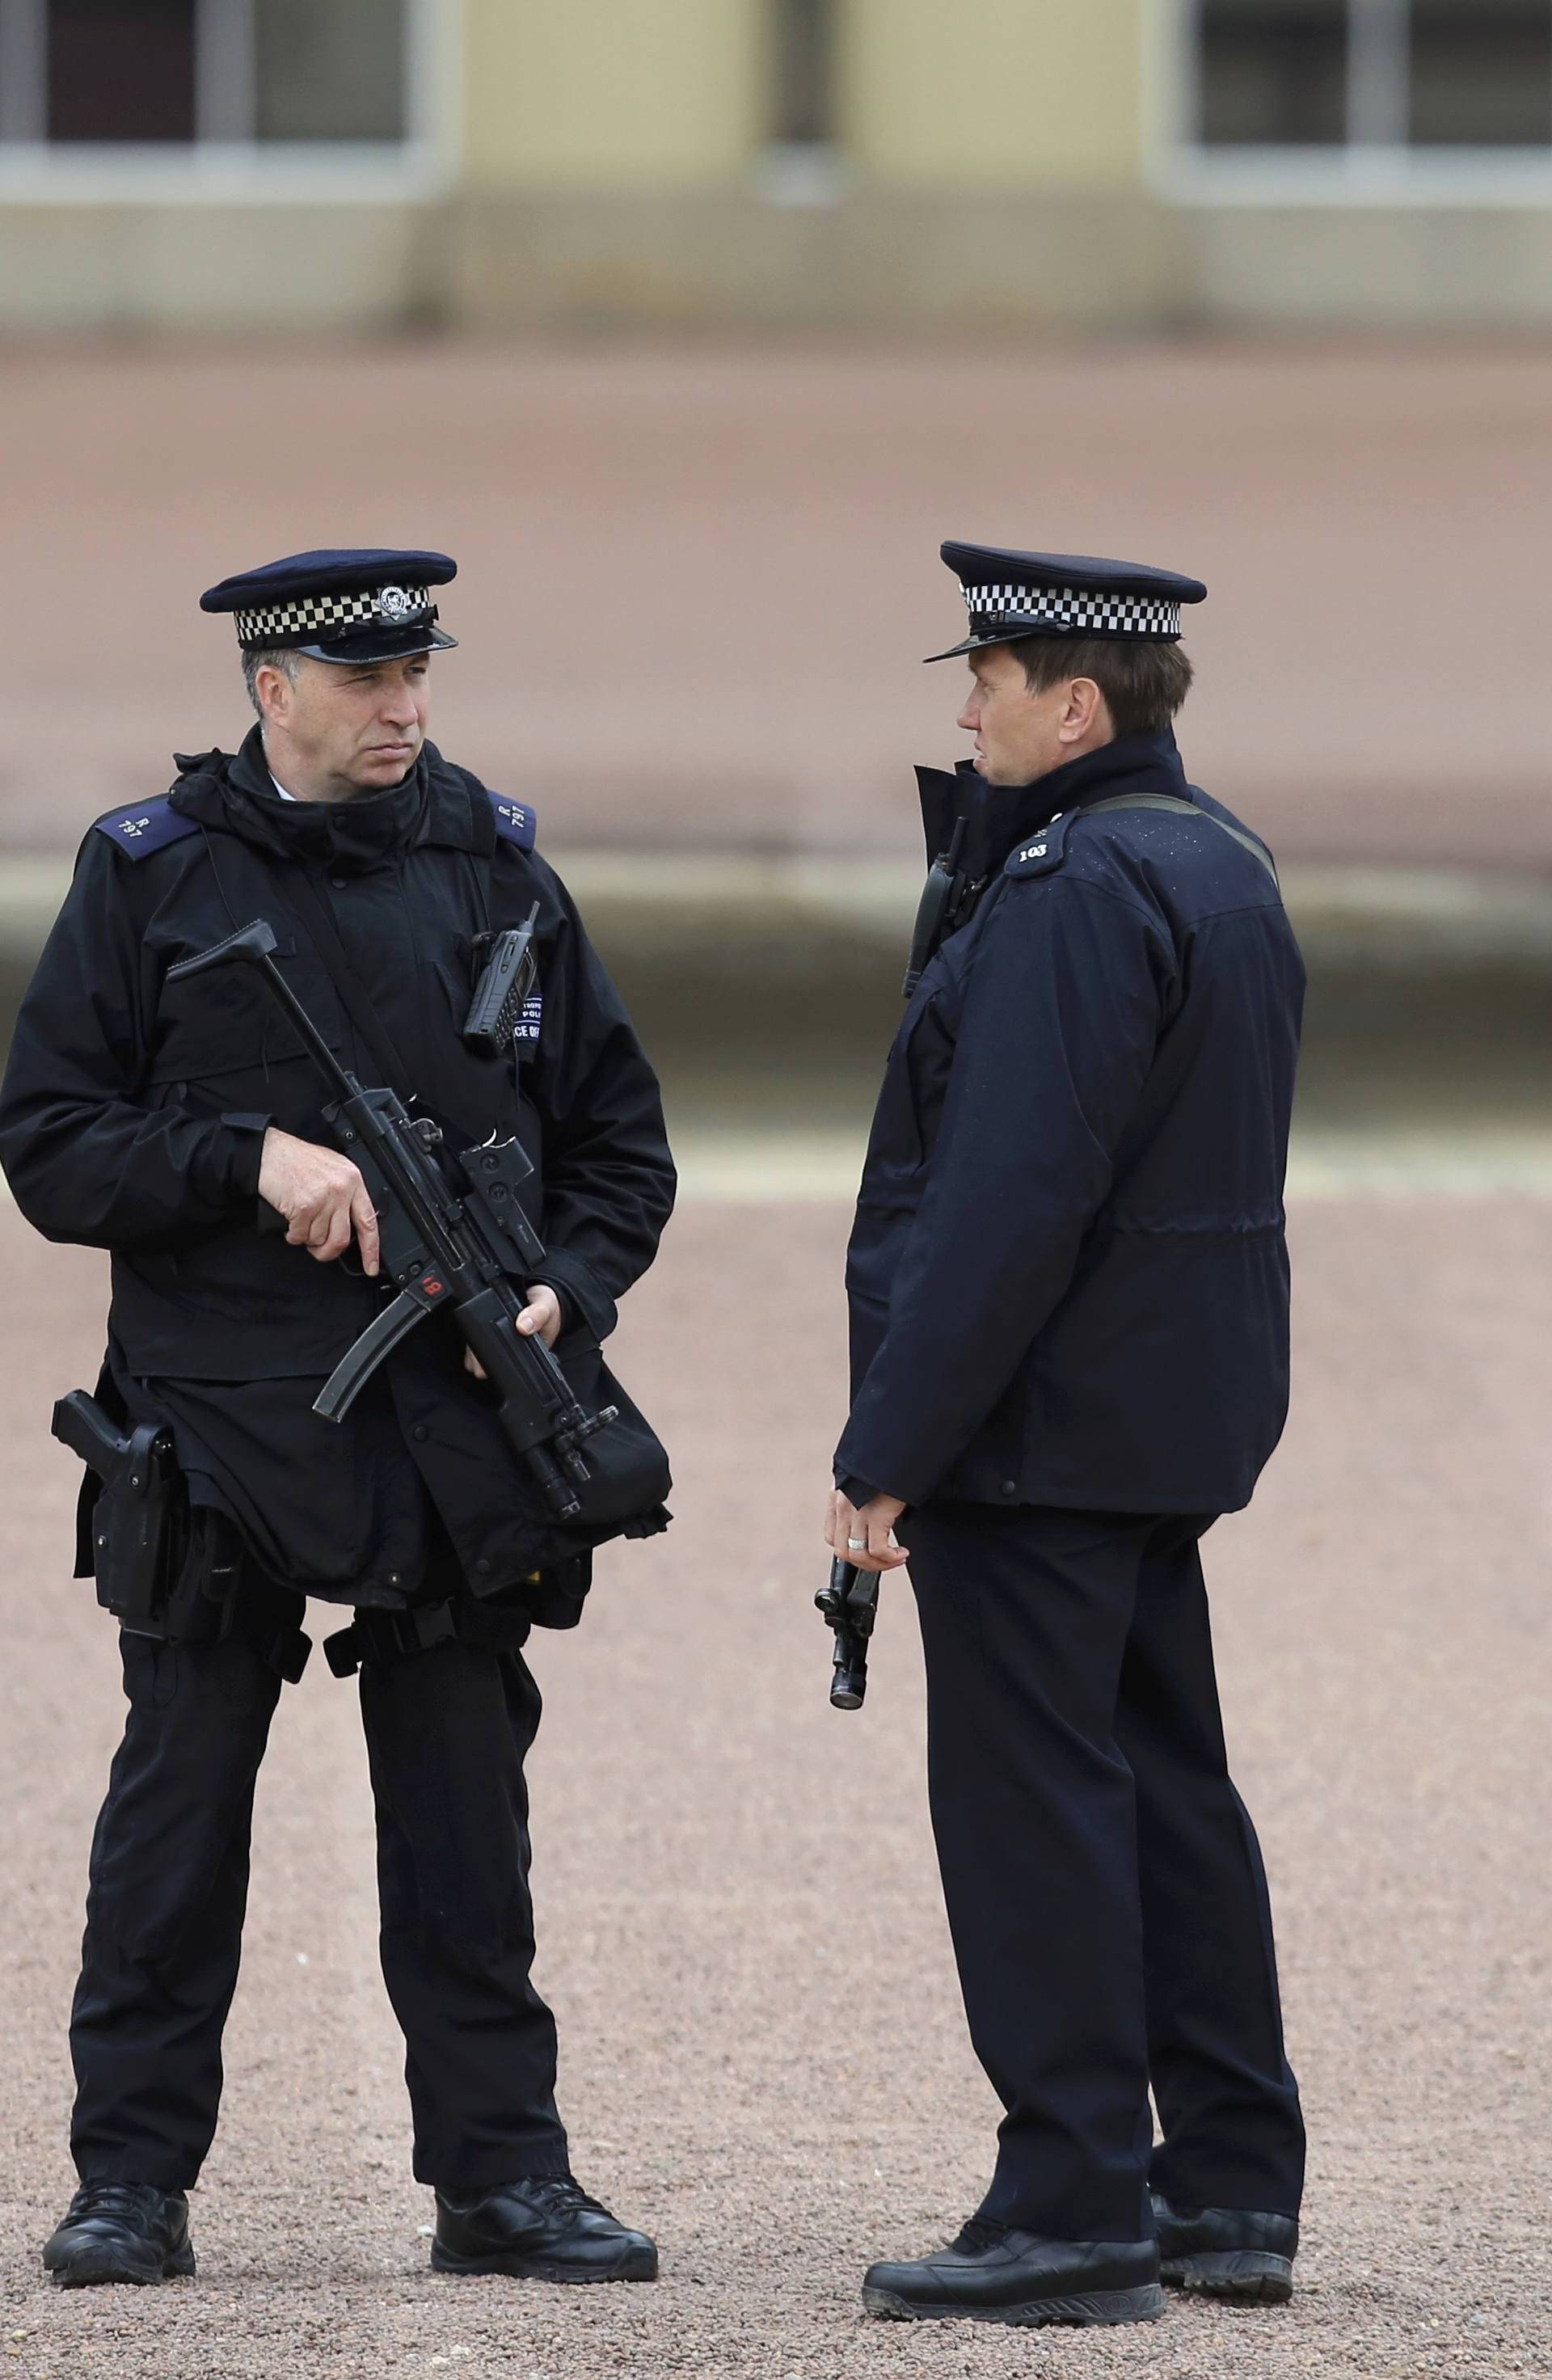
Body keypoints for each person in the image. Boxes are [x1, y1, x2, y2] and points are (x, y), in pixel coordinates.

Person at [0, 550, 675, 2290]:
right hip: (221, 1420)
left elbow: (619, 1147)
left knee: (465, 1817)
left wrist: (563, 1295)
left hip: (454, 1425)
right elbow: (54, 1142)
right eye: (367, 682)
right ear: (269, 689)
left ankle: (502, 2177)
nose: (406, 708)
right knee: (179, 1812)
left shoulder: (491, 862)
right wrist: (243, 1159)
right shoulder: (150, 874)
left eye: (417, 675)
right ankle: (131, 2179)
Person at [824, 543, 1307, 2329]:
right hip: (1163, 1416)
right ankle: (1232, 2181)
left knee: (1034, 1811)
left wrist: (890, 1444)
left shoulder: (1074, 884)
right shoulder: (1217, 855)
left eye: (992, 677)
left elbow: (1006, 1203)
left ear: (1076, 703)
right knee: (1172, 1788)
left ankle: (1073, 2199)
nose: (967, 705)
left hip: (1037, 1430)